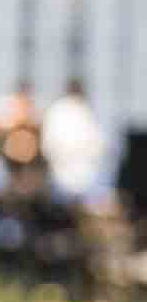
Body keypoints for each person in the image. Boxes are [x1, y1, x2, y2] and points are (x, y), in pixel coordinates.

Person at [41, 78, 109, 206]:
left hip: (86, 171)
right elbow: (50, 143)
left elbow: (97, 142)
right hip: (62, 171)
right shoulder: (59, 111)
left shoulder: (87, 109)